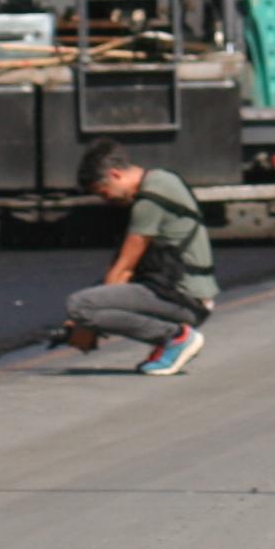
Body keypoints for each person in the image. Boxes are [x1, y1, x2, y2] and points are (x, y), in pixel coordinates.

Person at [56, 138, 216, 376]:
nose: (107, 199)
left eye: (104, 192)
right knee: (90, 302)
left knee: (80, 305)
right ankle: (169, 340)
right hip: (180, 292)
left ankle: (176, 338)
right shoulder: (164, 179)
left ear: (115, 174)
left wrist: (84, 325)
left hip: (184, 298)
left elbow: (125, 268)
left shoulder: (149, 202)